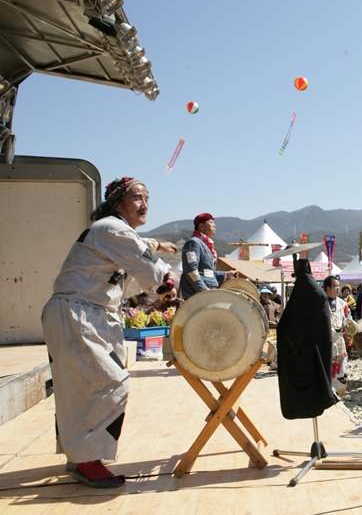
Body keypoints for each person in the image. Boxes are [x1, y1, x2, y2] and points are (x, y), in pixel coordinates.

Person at [42, 177, 176, 488]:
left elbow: (133, 265)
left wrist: (156, 251)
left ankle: (80, 455)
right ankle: (88, 461)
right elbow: (149, 266)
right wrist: (166, 279)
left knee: (78, 387)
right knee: (111, 382)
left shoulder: (112, 233)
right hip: (79, 312)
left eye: (147, 198)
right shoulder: (111, 229)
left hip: (83, 312)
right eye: (137, 197)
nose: (144, 204)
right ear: (117, 202)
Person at [181, 213, 235, 300]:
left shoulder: (206, 245)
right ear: (201, 226)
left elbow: (208, 273)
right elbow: (191, 270)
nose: (214, 225)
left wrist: (226, 275)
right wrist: (203, 289)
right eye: (211, 222)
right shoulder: (193, 242)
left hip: (209, 292)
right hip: (197, 294)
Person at [322, 276, 351, 394]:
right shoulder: (320, 303)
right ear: (327, 288)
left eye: (338, 285)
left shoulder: (343, 304)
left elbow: (348, 319)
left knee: (341, 363)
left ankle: (339, 390)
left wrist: (349, 330)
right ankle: (327, 390)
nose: (338, 288)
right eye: (335, 286)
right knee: (327, 363)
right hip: (325, 339)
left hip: (339, 339)